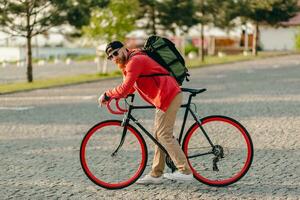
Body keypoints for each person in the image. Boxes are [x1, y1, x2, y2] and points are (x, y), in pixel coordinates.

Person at [98, 41, 193, 184]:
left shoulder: (135, 61)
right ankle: (156, 174)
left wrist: (108, 94)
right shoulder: (131, 61)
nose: (114, 58)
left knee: (163, 134)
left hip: (169, 95)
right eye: (110, 57)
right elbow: (130, 88)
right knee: (158, 135)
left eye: (116, 53)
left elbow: (124, 88)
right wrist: (116, 95)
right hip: (164, 97)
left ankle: (185, 171)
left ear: (124, 49)